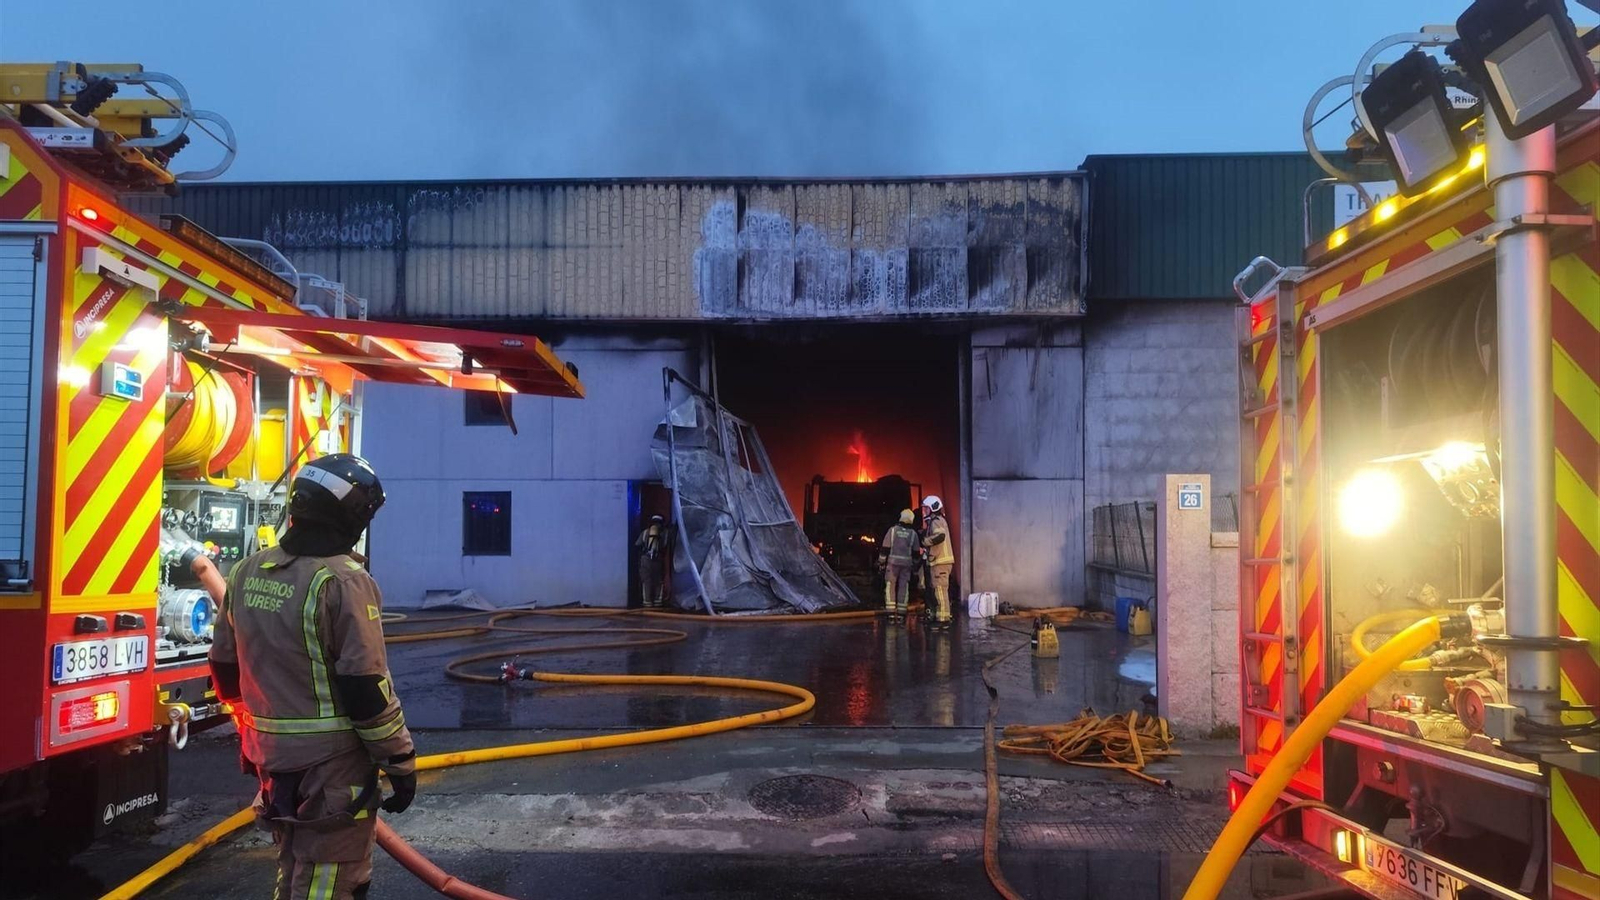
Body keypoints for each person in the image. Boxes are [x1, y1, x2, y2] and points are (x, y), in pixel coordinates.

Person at [208, 453, 415, 900]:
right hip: (331, 766)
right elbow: (365, 689)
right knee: (330, 878)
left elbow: (224, 667)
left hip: (271, 761)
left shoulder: (247, 571)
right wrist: (400, 762)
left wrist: (260, 732)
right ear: (352, 515)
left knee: (293, 865)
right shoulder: (344, 581)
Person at [877, 508, 921, 622]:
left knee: (890, 586)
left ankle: (891, 613)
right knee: (904, 587)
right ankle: (902, 613)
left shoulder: (892, 531)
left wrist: (881, 562)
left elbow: (885, 548)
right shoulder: (913, 534)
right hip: (906, 565)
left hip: (892, 565)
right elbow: (916, 553)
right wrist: (916, 568)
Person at [921, 495, 955, 629]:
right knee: (938, 590)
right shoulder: (937, 521)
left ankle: (943, 620)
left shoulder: (936, 521)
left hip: (940, 563)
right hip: (939, 562)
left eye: (926, 508)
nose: (924, 511)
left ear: (932, 508)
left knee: (940, 591)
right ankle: (940, 617)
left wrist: (926, 541)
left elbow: (940, 536)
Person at [635, 514, 670, 609]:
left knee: (646, 581)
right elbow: (665, 547)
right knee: (658, 581)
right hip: (658, 559)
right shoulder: (665, 533)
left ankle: (647, 602)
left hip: (645, 559)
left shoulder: (645, 532)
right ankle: (658, 601)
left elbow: (638, 545)